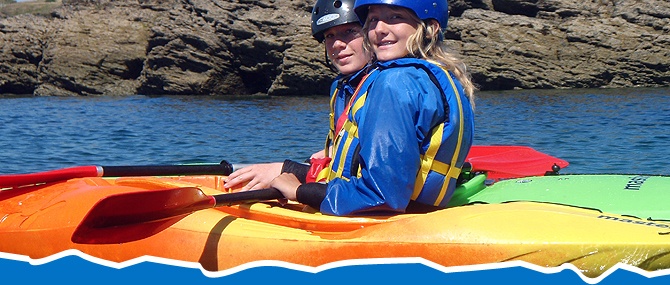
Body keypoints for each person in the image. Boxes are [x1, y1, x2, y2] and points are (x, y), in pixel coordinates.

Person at [246, 0, 476, 216]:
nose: (380, 29)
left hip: (390, 220)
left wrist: (299, 192)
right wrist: (297, 171)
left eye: (395, 17)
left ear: (430, 28)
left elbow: (381, 194)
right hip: (418, 211)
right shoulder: (436, 75)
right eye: (373, 20)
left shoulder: (395, 81)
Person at [224, 0, 371, 191]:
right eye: (329, 36)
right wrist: (329, 154)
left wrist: (289, 170)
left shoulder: (385, 88)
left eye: (349, 32)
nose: (337, 44)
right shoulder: (342, 87)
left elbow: (371, 173)